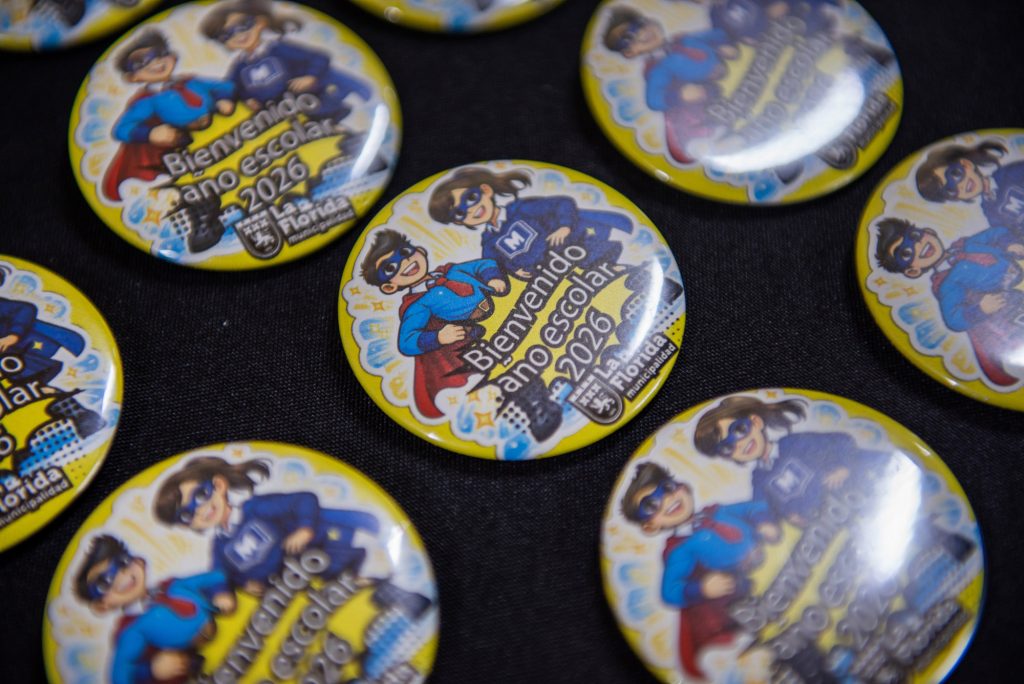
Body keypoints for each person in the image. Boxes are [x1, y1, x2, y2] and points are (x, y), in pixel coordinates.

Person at [620, 462, 778, 680]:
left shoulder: (717, 511)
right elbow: (670, 591)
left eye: (667, 488)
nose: (666, 501)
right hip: (741, 603)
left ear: (683, 487)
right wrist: (701, 588)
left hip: (777, 565)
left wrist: (763, 522)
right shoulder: (680, 550)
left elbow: (753, 507)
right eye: (650, 506)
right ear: (650, 526)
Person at [360, 228, 509, 419]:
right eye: (390, 268)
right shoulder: (418, 305)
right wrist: (438, 337)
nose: (404, 262)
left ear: (420, 251)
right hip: (481, 336)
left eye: (404, 252)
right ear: (390, 287)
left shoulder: (452, 270)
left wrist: (493, 277)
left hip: (507, 306)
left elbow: (484, 264)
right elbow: (406, 341)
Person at [874, 217, 1024, 387]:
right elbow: (954, 319)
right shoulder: (947, 284)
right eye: (906, 254)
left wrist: (1008, 243)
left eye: (914, 236)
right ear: (913, 271)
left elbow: (995, 233)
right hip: (1007, 298)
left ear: (928, 232)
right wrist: (980, 309)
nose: (917, 246)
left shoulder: (966, 244)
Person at [73, 534, 234, 684]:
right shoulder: (132, 629)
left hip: (233, 628)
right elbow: (122, 672)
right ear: (102, 606)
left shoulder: (172, 586)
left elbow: (214, 576)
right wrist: (152, 670)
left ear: (139, 561)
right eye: (103, 583)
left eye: (122, 562)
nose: (120, 576)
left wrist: (221, 591)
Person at [102, 30, 235, 204]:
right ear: (132, 77)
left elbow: (224, 85)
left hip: (224, 133)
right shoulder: (147, 100)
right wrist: (150, 133)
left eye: (159, 54)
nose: (155, 62)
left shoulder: (191, 81)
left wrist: (222, 98)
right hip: (187, 148)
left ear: (173, 57)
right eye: (140, 62)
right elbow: (122, 129)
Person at [427, 168, 633, 279]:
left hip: (573, 252)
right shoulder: (489, 240)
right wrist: (511, 272)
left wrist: (564, 226)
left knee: (608, 270)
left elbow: (561, 203)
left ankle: (627, 274)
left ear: (486, 190)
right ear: (459, 221)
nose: (471, 210)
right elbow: (492, 262)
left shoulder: (519, 209)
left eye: (470, 198)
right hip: (548, 275)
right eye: (460, 213)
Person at [200, 0, 372, 123]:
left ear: (260, 22)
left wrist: (310, 76)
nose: (238, 35)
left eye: (243, 25)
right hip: (285, 116)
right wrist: (233, 99)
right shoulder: (240, 65)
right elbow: (230, 86)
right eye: (226, 35)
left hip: (313, 99)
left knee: (331, 116)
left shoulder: (277, 48)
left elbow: (318, 57)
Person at [602, 7, 732, 164]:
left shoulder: (684, 40)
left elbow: (715, 34)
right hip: (712, 100)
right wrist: (679, 95)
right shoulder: (657, 69)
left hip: (733, 70)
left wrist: (724, 43)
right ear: (630, 52)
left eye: (640, 25)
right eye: (628, 38)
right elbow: (653, 100)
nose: (642, 34)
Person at [0, 268, 105, 438]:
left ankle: (82, 417)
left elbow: (25, 309)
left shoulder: (3, 306)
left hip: (15, 361)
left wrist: (13, 336)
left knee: (36, 388)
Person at [915, 140, 1024, 238]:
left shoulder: (1009, 174)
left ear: (966, 164)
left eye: (955, 174)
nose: (960, 186)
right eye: (950, 190)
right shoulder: (989, 210)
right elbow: (1005, 234)